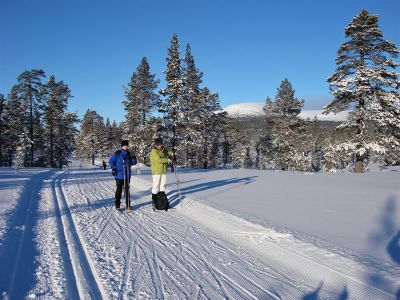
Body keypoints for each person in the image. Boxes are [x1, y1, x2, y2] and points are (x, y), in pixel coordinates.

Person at [109, 140, 137, 213]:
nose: (126, 147)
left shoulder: (129, 153)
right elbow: (111, 161)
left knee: (127, 190)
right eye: (124, 145)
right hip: (119, 175)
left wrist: (133, 157)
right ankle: (117, 206)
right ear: (122, 146)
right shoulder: (118, 153)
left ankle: (128, 205)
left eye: (127, 145)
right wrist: (113, 168)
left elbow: (133, 162)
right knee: (119, 190)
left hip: (127, 175)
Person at [149, 138, 173, 210]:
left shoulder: (163, 149)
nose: (161, 145)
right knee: (156, 186)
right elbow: (159, 160)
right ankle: (154, 201)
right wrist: (167, 160)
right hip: (156, 171)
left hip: (163, 170)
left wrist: (170, 151)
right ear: (156, 145)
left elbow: (170, 152)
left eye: (161, 144)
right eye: (159, 144)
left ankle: (162, 202)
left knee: (163, 186)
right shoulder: (154, 151)